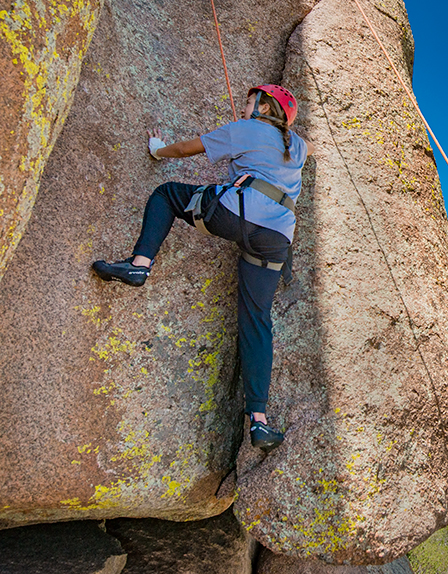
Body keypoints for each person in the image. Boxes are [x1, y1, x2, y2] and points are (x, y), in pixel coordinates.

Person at [92, 85, 315, 452]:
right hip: (277, 236)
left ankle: (139, 265)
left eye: (249, 101)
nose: (244, 106)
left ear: (262, 106)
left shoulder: (247, 129)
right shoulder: (299, 146)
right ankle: (259, 421)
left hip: (238, 213)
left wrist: (156, 150)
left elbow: (184, 150)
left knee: (167, 194)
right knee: (257, 320)